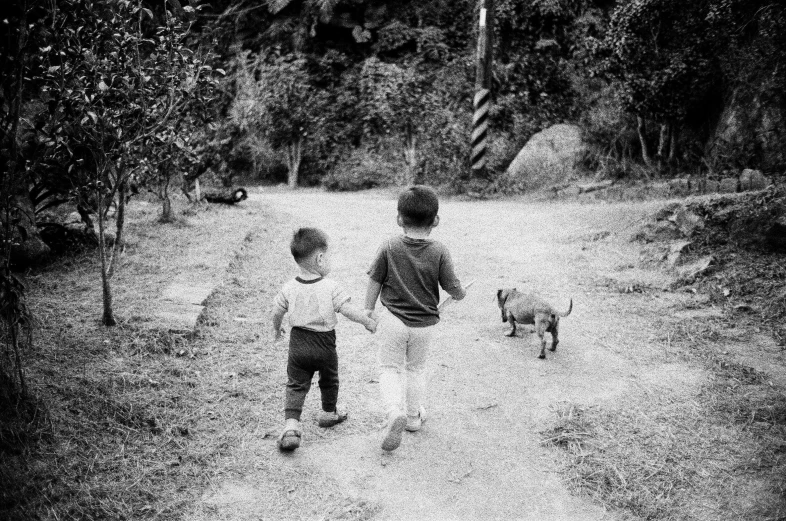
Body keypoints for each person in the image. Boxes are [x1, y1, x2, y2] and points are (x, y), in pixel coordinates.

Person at [364, 185, 467, 451]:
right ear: (436, 220)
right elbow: (451, 286)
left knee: (389, 368)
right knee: (415, 369)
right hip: (424, 323)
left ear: (399, 219)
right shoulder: (440, 250)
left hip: (393, 319)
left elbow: (375, 279)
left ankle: (393, 411)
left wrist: (368, 309)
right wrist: (460, 292)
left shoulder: (390, 245)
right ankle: (411, 417)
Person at [272, 227, 377, 451]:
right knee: (329, 380)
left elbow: (276, 310)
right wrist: (367, 321)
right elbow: (347, 309)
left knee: (296, 384)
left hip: (298, 344)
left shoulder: (289, 287)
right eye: (328, 257)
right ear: (320, 258)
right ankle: (328, 412)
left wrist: (276, 329)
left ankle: (291, 426)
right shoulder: (330, 287)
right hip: (324, 345)